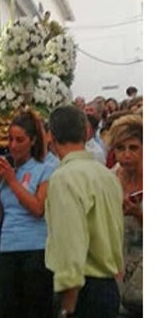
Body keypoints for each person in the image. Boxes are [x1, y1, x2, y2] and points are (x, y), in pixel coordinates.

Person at [44, 105, 124, 318]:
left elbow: (71, 241)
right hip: (108, 285)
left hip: (81, 291)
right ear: (86, 132)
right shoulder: (106, 175)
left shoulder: (64, 178)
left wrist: (67, 307)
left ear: (50, 136)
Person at [0, 110, 57, 318]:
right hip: (8, 246)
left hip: (35, 249)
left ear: (33, 140)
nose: (14, 145)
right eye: (10, 139)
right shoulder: (8, 170)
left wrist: (11, 181)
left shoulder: (44, 168)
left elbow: (38, 208)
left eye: (20, 140)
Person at [105, 114, 143, 317]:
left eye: (133, 148)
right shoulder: (109, 179)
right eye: (120, 148)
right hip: (117, 266)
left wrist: (138, 214)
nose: (126, 155)